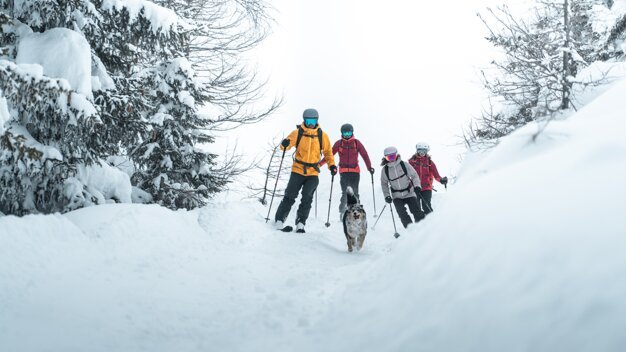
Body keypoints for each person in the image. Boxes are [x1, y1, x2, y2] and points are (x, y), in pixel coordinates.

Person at [274, 108, 337, 233]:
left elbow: (328, 153)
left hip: (313, 172)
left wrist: (332, 166)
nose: (311, 123)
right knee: (290, 196)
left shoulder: (322, 136)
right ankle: (280, 220)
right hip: (297, 170)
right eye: (308, 120)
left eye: (313, 120)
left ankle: (301, 223)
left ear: (317, 120)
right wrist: (285, 143)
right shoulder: (297, 133)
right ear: (304, 120)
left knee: (307, 198)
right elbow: (284, 147)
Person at [319, 123, 373, 219]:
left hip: (355, 172)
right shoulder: (339, 144)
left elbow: (365, 155)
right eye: (345, 133)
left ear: (352, 132)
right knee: (345, 192)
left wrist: (369, 167)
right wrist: (319, 164)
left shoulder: (356, 143)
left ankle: (356, 211)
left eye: (349, 133)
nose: (347, 135)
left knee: (355, 192)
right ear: (342, 133)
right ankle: (343, 211)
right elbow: (329, 155)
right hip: (343, 172)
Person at [380, 146, 424, 228]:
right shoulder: (385, 170)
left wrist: (417, 186)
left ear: (396, 155)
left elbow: (414, 176)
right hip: (396, 196)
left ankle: (421, 228)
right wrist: (387, 196)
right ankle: (410, 230)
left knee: (416, 211)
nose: (391, 159)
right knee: (402, 214)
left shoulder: (404, 165)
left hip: (409, 193)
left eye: (392, 156)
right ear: (385, 158)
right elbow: (384, 184)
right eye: (388, 157)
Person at [408, 142, 448, 215]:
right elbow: (406, 174)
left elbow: (436, 175)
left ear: (427, 151)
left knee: (426, 206)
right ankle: (420, 223)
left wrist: (441, 180)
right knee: (416, 208)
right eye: (420, 151)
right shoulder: (411, 162)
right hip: (415, 188)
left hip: (426, 188)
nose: (422, 153)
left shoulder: (429, 162)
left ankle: (431, 221)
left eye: (424, 151)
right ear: (417, 151)